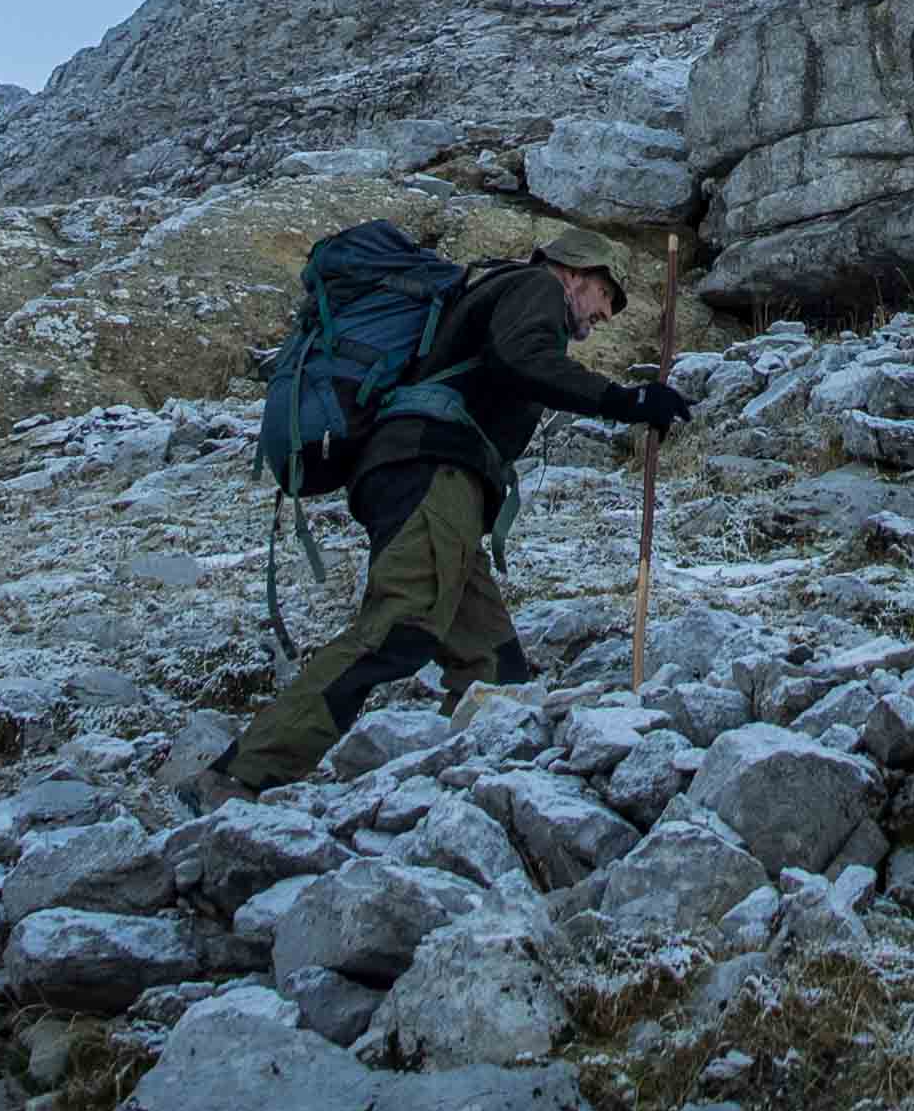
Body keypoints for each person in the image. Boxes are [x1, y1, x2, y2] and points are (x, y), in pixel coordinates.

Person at [231, 229, 693, 786]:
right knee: (400, 626)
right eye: (605, 296)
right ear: (575, 273)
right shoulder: (536, 287)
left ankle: (475, 788)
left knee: (492, 666)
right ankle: (246, 770)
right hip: (432, 471)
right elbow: (523, 358)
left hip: (427, 476)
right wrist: (625, 399)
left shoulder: (495, 291)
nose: (605, 315)